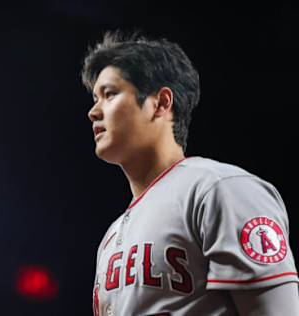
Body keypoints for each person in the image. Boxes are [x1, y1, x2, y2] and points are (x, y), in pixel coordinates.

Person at [81, 30, 299, 315]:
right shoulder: (111, 237)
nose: (93, 112)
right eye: (95, 98)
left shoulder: (220, 189)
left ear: (160, 103)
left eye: (109, 94)